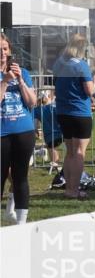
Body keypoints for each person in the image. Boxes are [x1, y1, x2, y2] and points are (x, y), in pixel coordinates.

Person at [1, 33, 37, 224]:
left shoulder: (22, 72)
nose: (2, 53)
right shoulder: (5, 77)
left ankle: (21, 222)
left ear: (10, 51)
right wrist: (5, 81)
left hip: (23, 131)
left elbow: (32, 102)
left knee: (20, 177)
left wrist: (21, 80)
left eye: (4, 49)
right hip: (2, 133)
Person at [33, 90, 63, 169]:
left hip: (49, 134)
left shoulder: (37, 110)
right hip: (61, 132)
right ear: (50, 97)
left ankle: (55, 163)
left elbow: (35, 122)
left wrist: (35, 129)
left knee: (51, 147)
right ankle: (58, 163)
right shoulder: (55, 107)